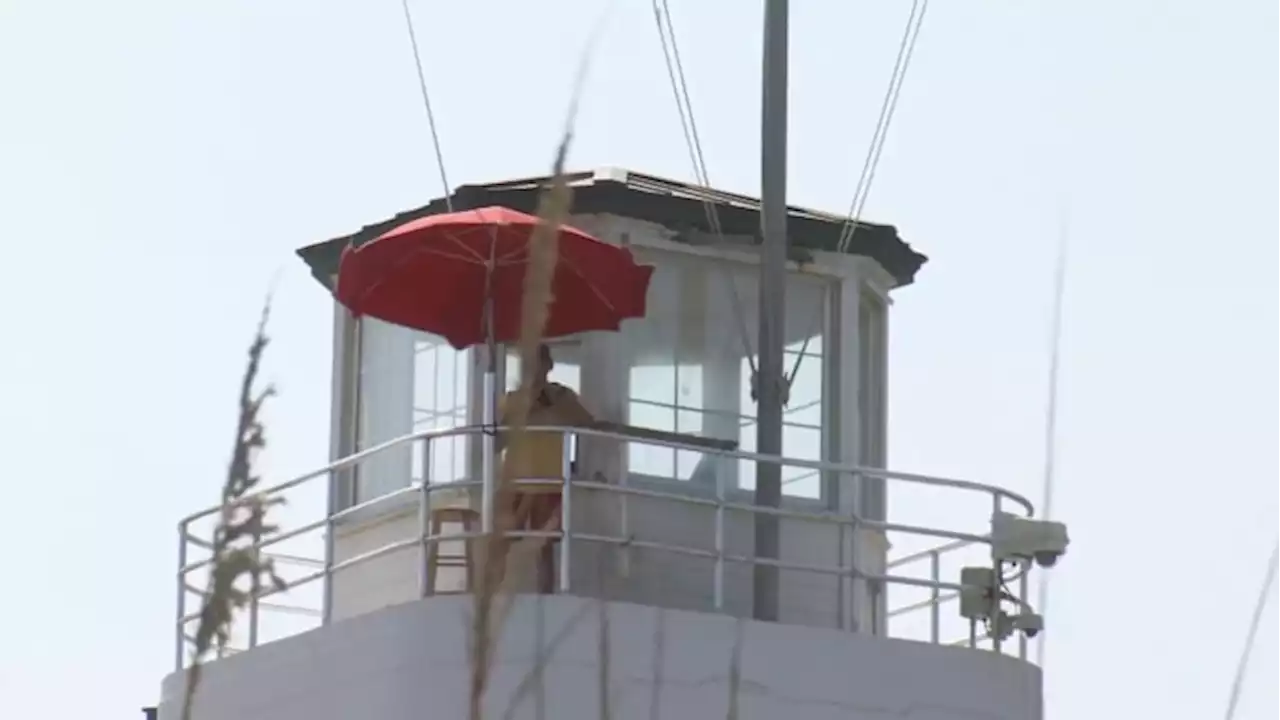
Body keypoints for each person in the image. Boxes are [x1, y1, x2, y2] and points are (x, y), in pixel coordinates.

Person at [495, 343, 594, 593]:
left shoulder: (562, 396)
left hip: (548, 480)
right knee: (504, 539)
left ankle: (545, 596)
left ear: (549, 365)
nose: (533, 368)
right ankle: (494, 594)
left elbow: (586, 424)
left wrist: (552, 404)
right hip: (516, 480)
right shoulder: (513, 399)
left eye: (538, 361)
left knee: (544, 545)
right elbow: (497, 441)